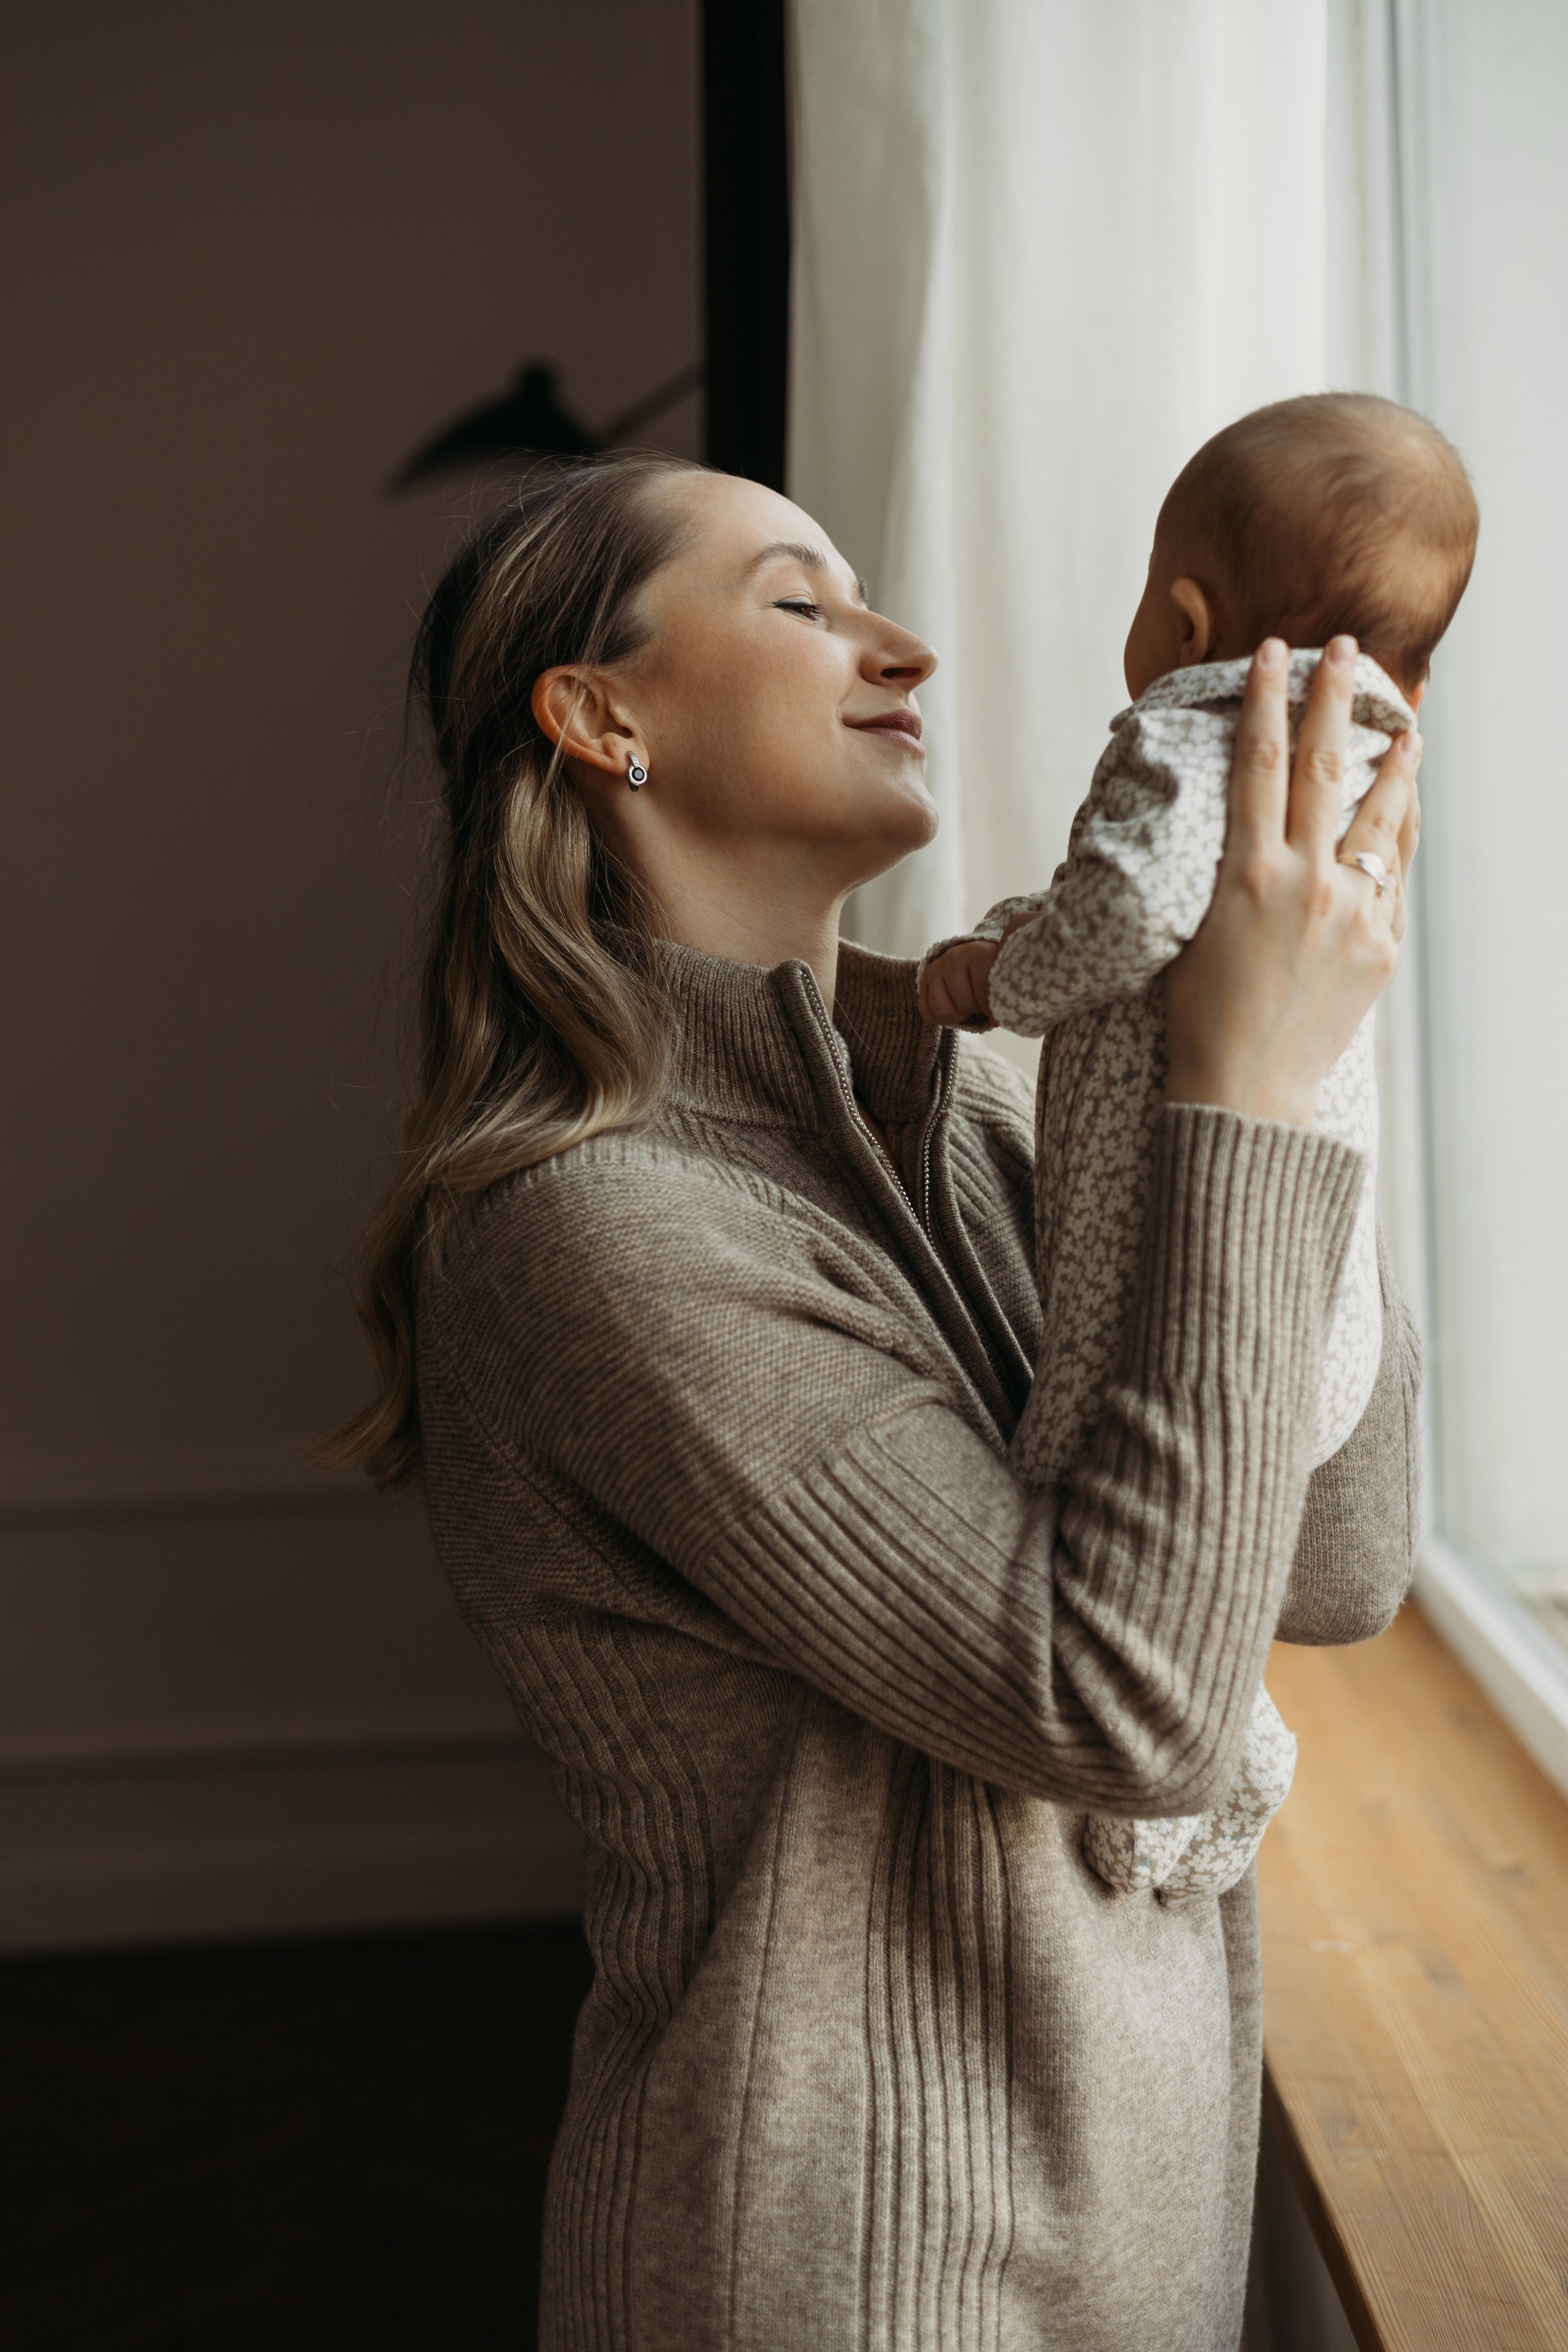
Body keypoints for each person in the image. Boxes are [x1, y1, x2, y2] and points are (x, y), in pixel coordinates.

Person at [326, 450, 1422, 2352]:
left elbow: (1336, 1561)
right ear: (599, 718)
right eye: (800, 601)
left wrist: (1314, 1073)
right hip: (849, 2271)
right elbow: (1127, 1704)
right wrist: (1240, 1098)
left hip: (1139, 2212)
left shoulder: (1000, 1095)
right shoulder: (591, 1226)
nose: (900, 645)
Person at [919, 391, 1472, 1907]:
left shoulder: (1188, 729)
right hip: (1313, 1288)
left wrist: (997, 979)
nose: (894, 647)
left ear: (1180, 614)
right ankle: (1231, 1726)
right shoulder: (1344, 768)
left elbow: (1132, 911)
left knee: (1063, 1460)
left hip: (1174, 1251)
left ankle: (1219, 1748)